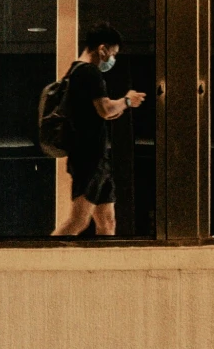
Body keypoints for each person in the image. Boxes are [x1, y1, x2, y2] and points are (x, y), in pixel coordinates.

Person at [52, 23, 147, 239]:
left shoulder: (75, 72)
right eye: (112, 54)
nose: (112, 60)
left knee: (107, 221)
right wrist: (127, 101)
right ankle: (41, 258)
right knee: (78, 220)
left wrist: (118, 107)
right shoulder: (89, 72)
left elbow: (95, 112)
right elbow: (104, 109)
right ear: (102, 49)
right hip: (89, 158)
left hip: (96, 158)